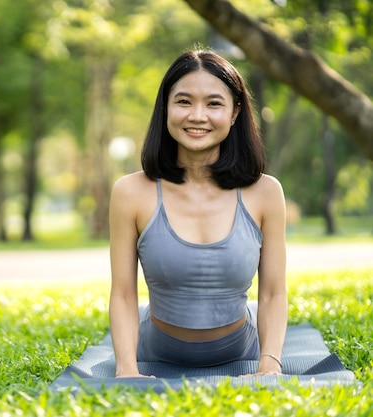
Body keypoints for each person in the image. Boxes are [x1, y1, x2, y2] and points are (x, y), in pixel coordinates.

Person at [108, 49, 287, 378]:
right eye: (184, 101)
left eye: (214, 103)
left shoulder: (266, 192)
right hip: (156, 350)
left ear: (235, 112)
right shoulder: (130, 192)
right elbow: (122, 292)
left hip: (240, 350)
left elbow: (273, 292)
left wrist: (269, 364)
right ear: (165, 109)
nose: (197, 116)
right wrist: (126, 369)